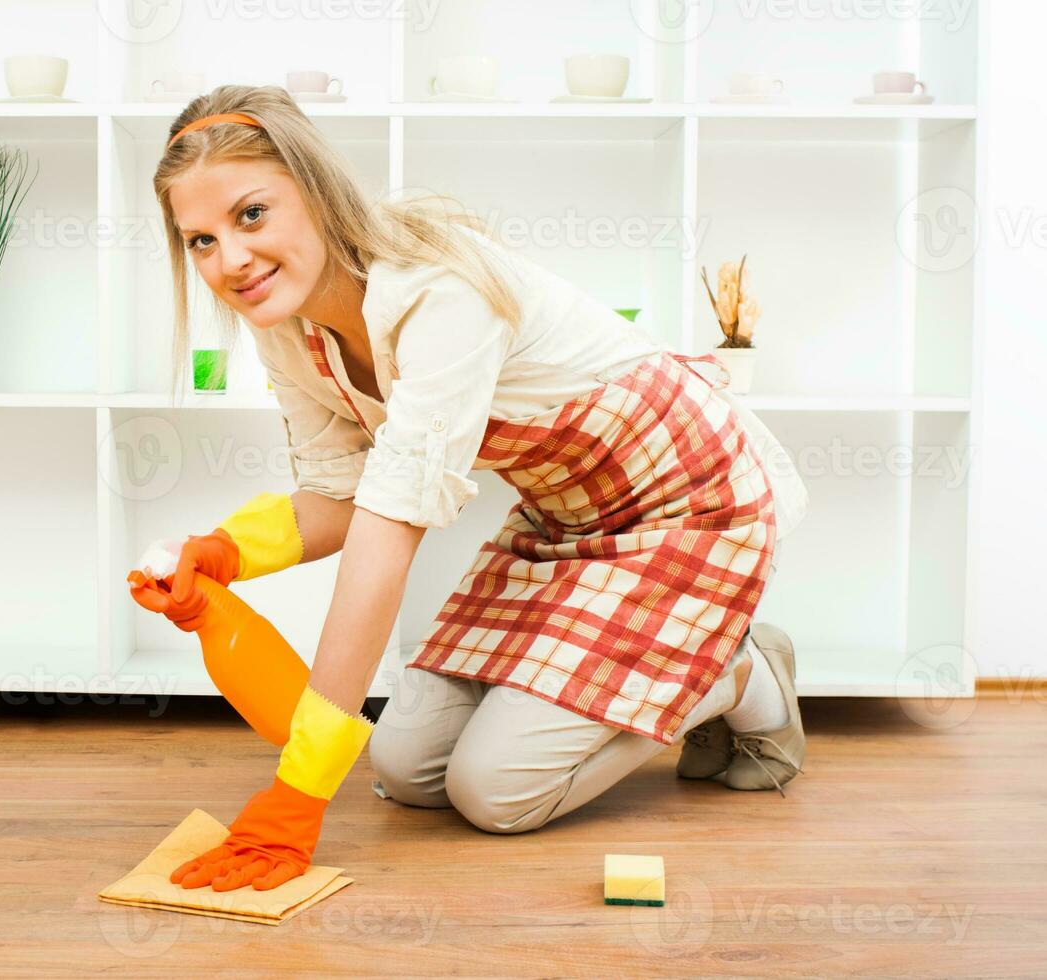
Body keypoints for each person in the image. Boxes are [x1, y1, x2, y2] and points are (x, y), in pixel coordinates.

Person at [129, 85, 810, 894]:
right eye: (199, 240)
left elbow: (388, 535)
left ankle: (729, 671)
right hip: (563, 520)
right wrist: (223, 554)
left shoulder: (433, 287)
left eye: (250, 215)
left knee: (497, 794)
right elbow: (337, 495)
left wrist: (299, 791)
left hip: (684, 503)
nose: (229, 260)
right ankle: (679, 669)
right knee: (406, 770)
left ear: (315, 189)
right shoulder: (286, 327)